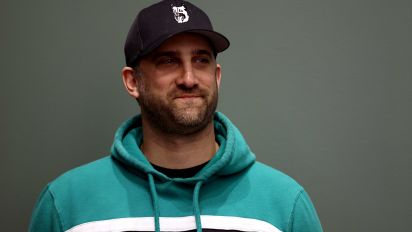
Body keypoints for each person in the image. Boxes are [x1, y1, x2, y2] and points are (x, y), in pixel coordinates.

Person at [29, 1, 323, 232]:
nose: (188, 78)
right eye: (168, 61)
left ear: (217, 76)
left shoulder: (283, 203)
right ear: (132, 81)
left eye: (201, 60)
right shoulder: (67, 203)